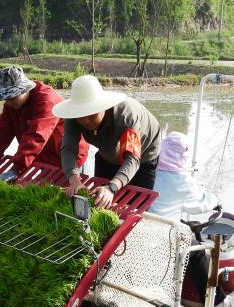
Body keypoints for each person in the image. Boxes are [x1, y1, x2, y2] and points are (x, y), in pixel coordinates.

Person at [149, 131, 229, 307]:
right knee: (198, 251)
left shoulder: (150, 171)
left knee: (188, 239)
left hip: (146, 231)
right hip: (164, 238)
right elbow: (201, 203)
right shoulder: (182, 181)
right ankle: (217, 304)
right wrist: (216, 200)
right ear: (182, 155)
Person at [53, 75, 162, 209]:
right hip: (108, 150)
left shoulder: (127, 117)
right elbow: (69, 148)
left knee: (134, 206)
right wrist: (74, 180)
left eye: (91, 114)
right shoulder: (73, 116)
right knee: (99, 200)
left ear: (102, 106)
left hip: (143, 154)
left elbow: (133, 159)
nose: (85, 121)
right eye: (81, 117)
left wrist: (112, 187)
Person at [0, 66, 88, 182]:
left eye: (12, 96)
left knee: (66, 195)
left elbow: (37, 135)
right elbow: (0, 133)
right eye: (5, 98)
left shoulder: (46, 100)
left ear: (25, 89)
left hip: (69, 157)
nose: (8, 101)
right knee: (41, 194)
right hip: (44, 158)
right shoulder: (12, 106)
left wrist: (17, 168)